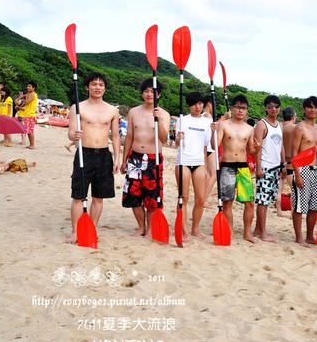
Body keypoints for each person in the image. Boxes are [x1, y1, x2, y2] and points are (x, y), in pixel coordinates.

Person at [68, 72, 120, 244]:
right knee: (78, 196)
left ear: (105, 88)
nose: (97, 87)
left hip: (104, 156)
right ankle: (75, 232)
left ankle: (92, 228)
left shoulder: (112, 110)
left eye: (101, 84)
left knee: (99, 197)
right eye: (94, 84)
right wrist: (74, 135)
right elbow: (70, 132)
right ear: (87, 87)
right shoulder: (78, 107)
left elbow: (116, 137)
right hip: (84, 154)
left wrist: (117, 158)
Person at [120, 78, 170, 236]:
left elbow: (163, 139)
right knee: (134, 195)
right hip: (135, 157)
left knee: (152, 198)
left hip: (153, 158)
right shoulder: (134, 112)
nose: (149, 94)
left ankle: (149, 229)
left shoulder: (164, 114)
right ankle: (141, 227)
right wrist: (124, 160)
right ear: (142, 94)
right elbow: (129, 136)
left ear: (159, 95)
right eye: (146, 91)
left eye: (153, 92)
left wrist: (159, 120)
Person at [217, 94, 258, 242]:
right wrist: (214, 129)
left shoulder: (249, 128)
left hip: (243, 167)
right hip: (227, 165)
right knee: (228, 201)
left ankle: (247, 233)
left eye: (243, 108)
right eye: (238, 107)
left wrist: (257, 149)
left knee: (249, 202)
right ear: (232, 108)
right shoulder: (224, 125)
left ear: (246, 110)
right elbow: (215, 145)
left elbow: (251, 150)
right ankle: (229, 232)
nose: (240, 111)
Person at [291, 96, 317, 246]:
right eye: (309, 107)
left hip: (315, 170)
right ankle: (298, 237)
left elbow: (316, 152)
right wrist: (297, 174)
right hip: (302, 169)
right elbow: (294, 153)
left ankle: (309, 236)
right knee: (300, 206)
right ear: (304, 109)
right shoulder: (300, 128)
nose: (312, 110)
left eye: (315, 107)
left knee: (314, 206)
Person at [175, 92, 213, 241]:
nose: (197, 107)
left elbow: (207, 146)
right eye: (194, 104)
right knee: (183, 198)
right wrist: (178, 138)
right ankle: (183, 230)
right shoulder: (182, 120)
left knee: (201, 199)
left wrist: (214, 131)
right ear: (189, 105)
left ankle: (195, 229)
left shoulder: (207, 122)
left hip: (199, 163)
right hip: (183, 161)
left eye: (200, 103)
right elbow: (177, 143)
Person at [253, 95, 286, 242]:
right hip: (265, 166)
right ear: (266, 108)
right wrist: (258, 168)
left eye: (276, 106)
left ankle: (257, 230)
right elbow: (257, 148)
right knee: (263, 201)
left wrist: (283, 164)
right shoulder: (261, 124)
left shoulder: (279, 125)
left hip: (275, 167)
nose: (274, 109)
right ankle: (262, 232)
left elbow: (281, 146)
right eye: (270, 106)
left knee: (268, 199)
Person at [16, 81, 38, 149]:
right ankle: (31, 144)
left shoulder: (33, 94)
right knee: (28, 131)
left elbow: (27, 102)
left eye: (29, 86)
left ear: (33, 88)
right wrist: (20, 98)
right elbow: (18, 102)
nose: (27, 87)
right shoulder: (28, 94)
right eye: (27, 86)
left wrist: (20, 103)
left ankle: (33, 145)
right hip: (27, 114)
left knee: (30, 131)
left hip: (30, 115)